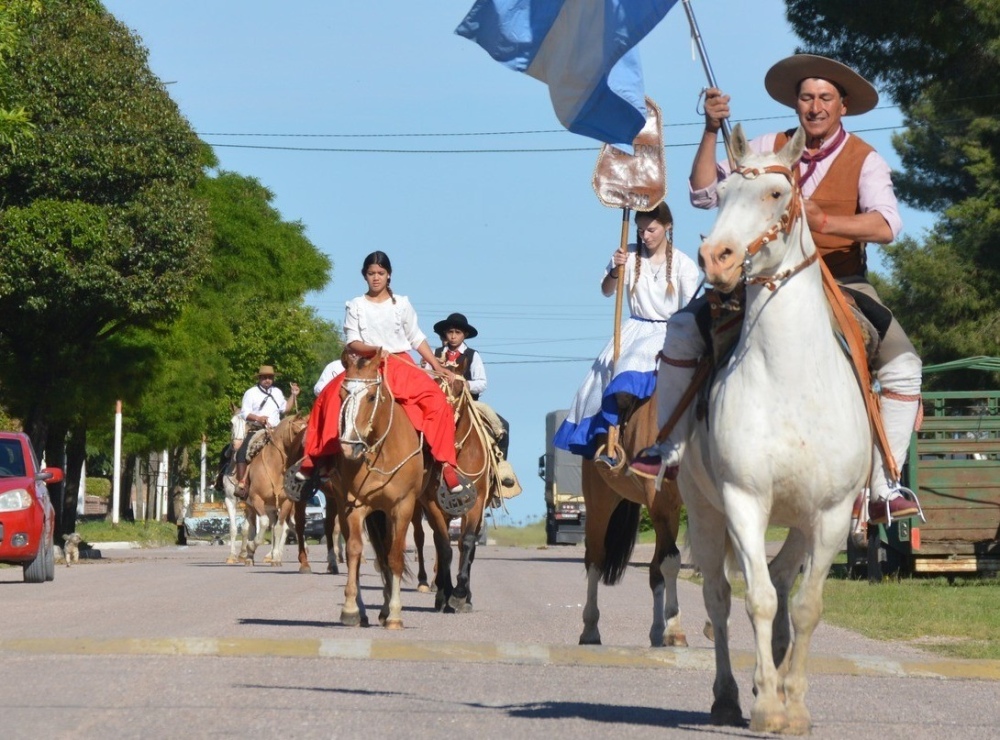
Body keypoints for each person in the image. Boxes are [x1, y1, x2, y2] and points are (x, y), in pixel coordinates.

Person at [629, 54, 922, 525]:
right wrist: (709, 129)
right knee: (683, 328)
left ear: (842, 106)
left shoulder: (864, 159)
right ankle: (669, 445)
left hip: (841, 279)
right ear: (796, 103)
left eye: (826, 98)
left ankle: (884, 484)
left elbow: (887, 225)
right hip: (759, 278)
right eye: (807, 97)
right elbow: (703, 193)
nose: (815, 106)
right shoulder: (766, 146)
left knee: (905, 364)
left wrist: (826, 221)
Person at [298, 251, 472, 498]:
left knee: (437, 402)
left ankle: (444, 465)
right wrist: (376, 351)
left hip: (400, 363)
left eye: (380, 273)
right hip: (367, 365)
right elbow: (352, 342)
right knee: (328, 397)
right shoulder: (356, 305)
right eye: (371, 273)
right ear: (364, 276)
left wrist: (437, 366)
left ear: (389, 275)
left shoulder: (401, 304)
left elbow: (416, 338)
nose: (376, 278)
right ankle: (320, 458)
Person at [554, 202, 700, 458]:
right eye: (641, 230)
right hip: (635, 327)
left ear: (668, 227)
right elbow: (606, 291)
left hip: (669, 330)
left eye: (651, 230)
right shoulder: (628, 255)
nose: (645, 236)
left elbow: (690, 308)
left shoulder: (684, 264)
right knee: (602, 379)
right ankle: (612, 442)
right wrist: (615, 270)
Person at [433, 311, 512, 469]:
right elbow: (426, 380)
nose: (453, 336)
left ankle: (500, 468)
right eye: (450, 332)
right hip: (439, 404)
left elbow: (482, 383)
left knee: (502, 425)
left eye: (457, 332)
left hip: (468, 403)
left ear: (465, 335)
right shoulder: (435, 355)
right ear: (445, 334)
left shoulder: (472, 355)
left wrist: (464, 385)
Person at [234, 365, 300, 498]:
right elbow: (244, 413)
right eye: (264, 377)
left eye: (270, 377)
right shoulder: (251, 392)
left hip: (277, 430)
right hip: (258, 429)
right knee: (242, 452)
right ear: (259, 378)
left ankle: (296, 481)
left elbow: (285, 409)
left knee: (296, 449)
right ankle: (242, 484)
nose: (267, 380)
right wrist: (258, 418)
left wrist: (293, 395)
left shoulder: (277, 392)